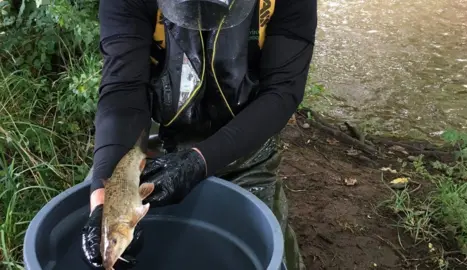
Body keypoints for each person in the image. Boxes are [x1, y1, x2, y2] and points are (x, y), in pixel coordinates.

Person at [81, 0, 317, 269]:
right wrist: (103, 199)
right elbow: (124, 91)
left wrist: (200, 161)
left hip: (247, 145)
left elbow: (282, 92)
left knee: (272, 253)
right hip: (160, 141)